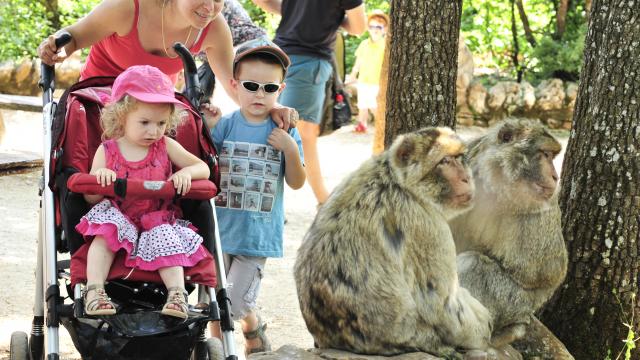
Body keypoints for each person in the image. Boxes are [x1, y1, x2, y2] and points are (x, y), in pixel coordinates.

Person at [75, 65, 211, 319]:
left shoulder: (166, 145)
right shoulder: (107, 151)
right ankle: (94, 290)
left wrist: (185, 173)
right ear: (121, 116)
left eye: (161, 123)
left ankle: (177, 295)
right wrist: (100, 181)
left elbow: (202, 167)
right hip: (119, 216)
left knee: (168, 241)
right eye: (145, 122)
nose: (154, 131)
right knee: (104, 236)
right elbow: (90, 199)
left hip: (156, 217)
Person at [37, 0, 296, 128]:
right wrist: (57, 50)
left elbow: (234, 84)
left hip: (155, 110)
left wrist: (273, 107)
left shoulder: (214, 28)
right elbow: (73, 37)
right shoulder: (128, 7)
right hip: (100, 102)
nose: (210, 8)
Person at [203, 38, 305, 356]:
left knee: (229, 304)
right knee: (218, 299)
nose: (260, 94)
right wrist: (208, 127)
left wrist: (289, 148)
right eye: (250, 85)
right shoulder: (227, 126)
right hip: (221, 232)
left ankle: (224, 346)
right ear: (235, 84)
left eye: (269, 88)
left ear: (281, 89)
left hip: (256, 237)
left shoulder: (285, 129)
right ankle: (247, 331)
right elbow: (207, 166)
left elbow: (297, 182)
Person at [252, 0, 366, 206]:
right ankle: (324, 201)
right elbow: (359, 27)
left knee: (267, 124)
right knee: (303, 134)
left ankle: (260, 196)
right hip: (309, 60)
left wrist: (293, 13)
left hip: (277, 55)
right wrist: (331, 18)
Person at [346, 10, 389, 133]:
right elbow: (358, 62)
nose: (375, 29)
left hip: (377, 81)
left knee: (374, 105)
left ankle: (381, 125)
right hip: (364, 80)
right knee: (363, 105)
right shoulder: (364, 44)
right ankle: (362, 124)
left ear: (384, 29)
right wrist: (353, 75)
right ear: (368, 28)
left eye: (379, 27)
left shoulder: (385, 45)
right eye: (372, 26)